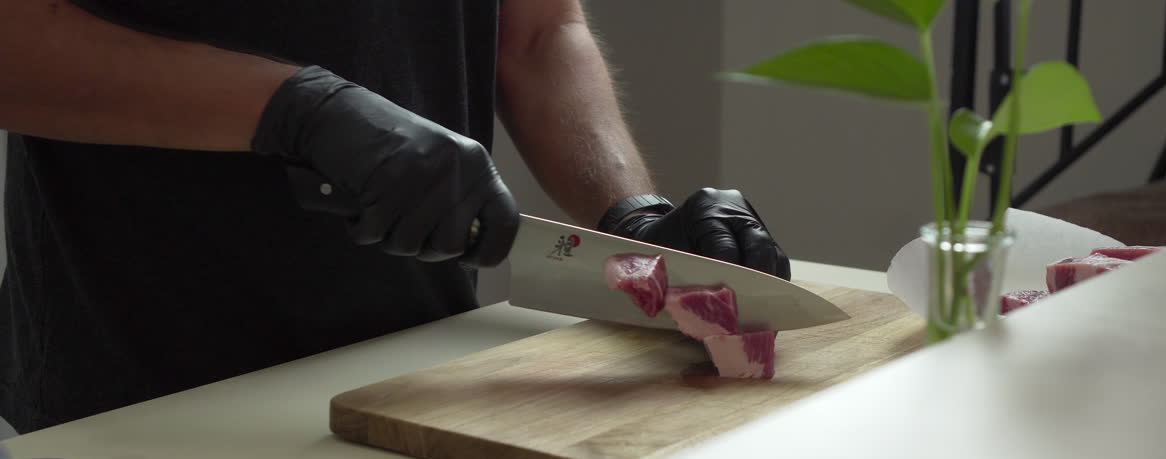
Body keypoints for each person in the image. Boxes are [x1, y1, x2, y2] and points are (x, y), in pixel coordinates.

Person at [0, 0, 790, 433]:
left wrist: (633, 219)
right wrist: (293, 108)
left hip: (413, 377)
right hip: (141, 391)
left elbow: (539, 30)